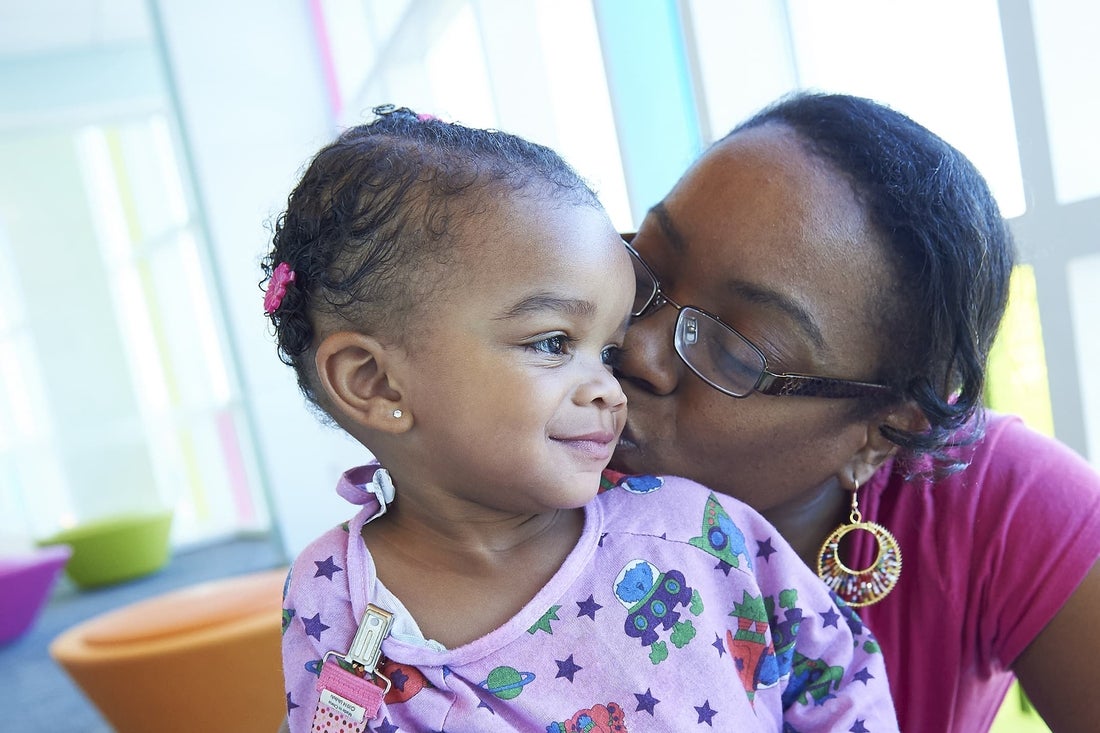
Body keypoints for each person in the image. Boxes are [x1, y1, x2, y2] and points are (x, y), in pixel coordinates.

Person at [267, 106, 899, 732]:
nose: (610, 389)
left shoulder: (694, 531)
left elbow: (840, 680)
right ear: (373, 382)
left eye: (607, 350)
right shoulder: (337, 601)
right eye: (551, 344)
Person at [609, 91, 1100, 733]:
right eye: (644, 264)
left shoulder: (1003, 503)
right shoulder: (504, 433)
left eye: (733, 351)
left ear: (882, 434)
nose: (636, 348)